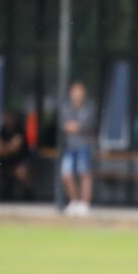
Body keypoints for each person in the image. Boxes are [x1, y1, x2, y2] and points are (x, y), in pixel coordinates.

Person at [60, 81, 96, 216]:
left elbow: (88, 125)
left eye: (80, 93)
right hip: (69, 146)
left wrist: (76, 127)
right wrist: (77, 127)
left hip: (84, 146)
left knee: (84, 173)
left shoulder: (89, 108)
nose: (77, 95)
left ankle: (85, 203)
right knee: (66, 174)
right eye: (75, 93)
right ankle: (74, 202)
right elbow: (64, 125)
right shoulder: (66, 108)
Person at [0, 111, 33, 201]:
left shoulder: (19, 130)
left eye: (8, 117)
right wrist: (4, 148)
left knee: (21, 172)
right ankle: (2, 194)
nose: (6, 119)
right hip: (6, 160)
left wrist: (1, 148)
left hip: (21, 159)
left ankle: (29, 194)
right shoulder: (2, 131)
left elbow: (13, 148)